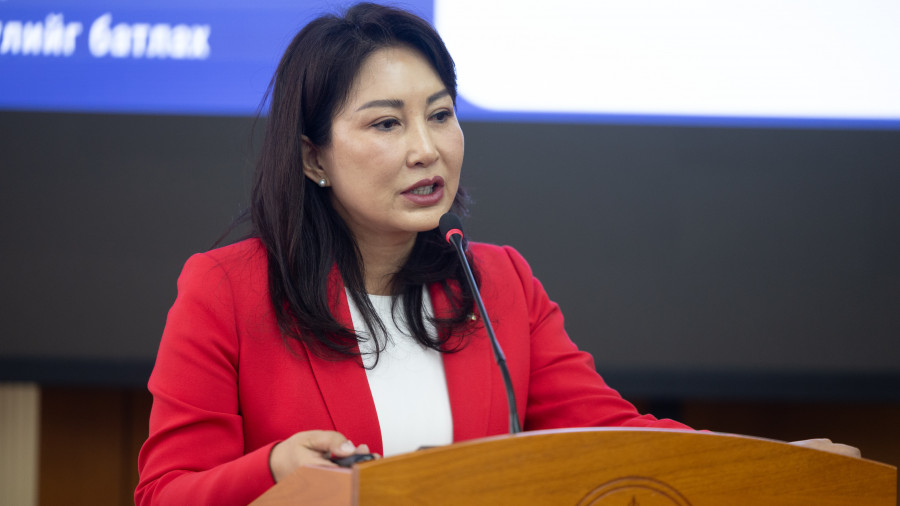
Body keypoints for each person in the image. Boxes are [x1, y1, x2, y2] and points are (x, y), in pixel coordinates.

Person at [135, 3, 859, 505]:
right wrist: (272, 468)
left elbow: (613, 436)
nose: (427, 149)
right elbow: (165, 493)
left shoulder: (494, 282)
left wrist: (775, 462)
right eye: (386, 124)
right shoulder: (227, 289)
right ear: (312, 157)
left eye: (441, 114)